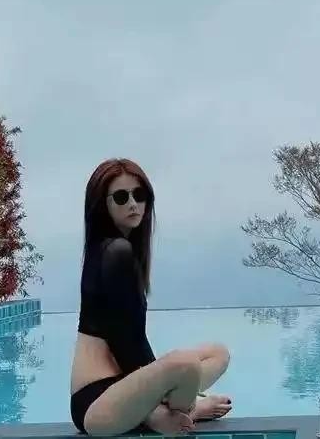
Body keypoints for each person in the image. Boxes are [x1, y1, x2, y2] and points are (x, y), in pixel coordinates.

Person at [70, 158, 233, 436]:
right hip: (98, 402)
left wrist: (161, 381)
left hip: (127, 388)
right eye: (121, 197)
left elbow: (134, 347)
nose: (133, 204)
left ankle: (169, 410)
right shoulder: (115, 252)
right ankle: (180, 411)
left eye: (139, 194)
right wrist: (161, 390)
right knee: (185, 363)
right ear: (102, 205)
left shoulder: (118, 250)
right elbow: (127, 343)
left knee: (217, 354)